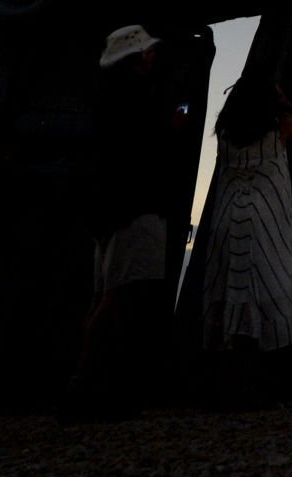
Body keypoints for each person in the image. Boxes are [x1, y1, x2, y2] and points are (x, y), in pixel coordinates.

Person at [62, 24, 185, 419]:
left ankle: (94, 387)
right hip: (136, 209)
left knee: (105, 297)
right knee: (122, 297)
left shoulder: (106, 100)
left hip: (111, 213)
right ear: (133, 59)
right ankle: (82, 390)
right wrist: (173, 125)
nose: (151, 57)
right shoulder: (137, 101)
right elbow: (147, 151)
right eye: (146, 52)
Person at [199, 76, 292, 404]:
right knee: (269, 291)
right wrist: (285, 102)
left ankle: (232, 386)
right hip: (266, 222)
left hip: (227, 220)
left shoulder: (224, 133)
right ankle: (262, 384)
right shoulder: (280, 128)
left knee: (234, 294)